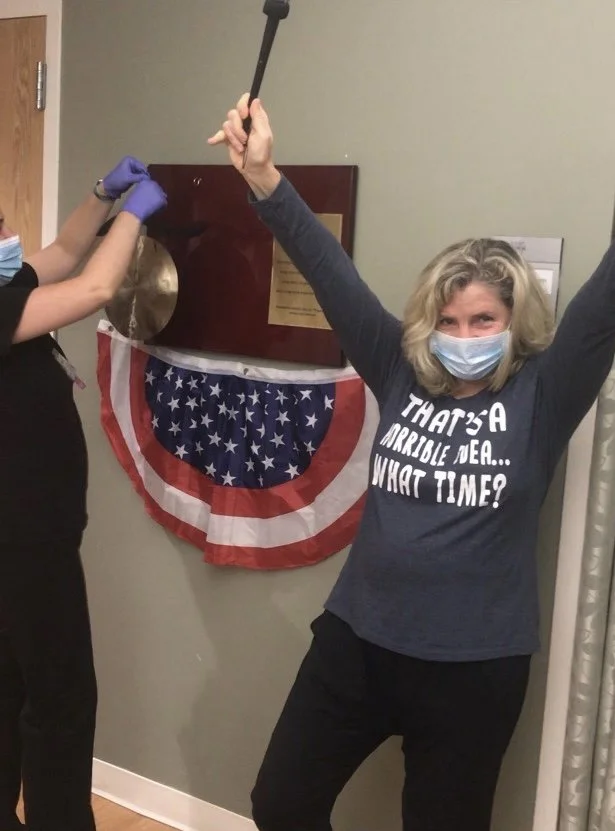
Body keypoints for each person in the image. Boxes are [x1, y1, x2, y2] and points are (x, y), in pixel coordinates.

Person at [209, 96, 615, 831]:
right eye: (450, 320)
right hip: (356, 642)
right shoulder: (402, 368)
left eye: (482, 320)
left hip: (473, 670)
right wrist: (265, 177)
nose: (464, 335)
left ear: (511, 322)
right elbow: (329, 272)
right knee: (281, 802)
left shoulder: (544, 393)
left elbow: (606, 302)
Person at [0, 157, 167, 831]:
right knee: (63, 694)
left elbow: (66, 252)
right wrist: (135, 214)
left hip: (28, 533)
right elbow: (97, 284)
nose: (7, 235)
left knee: (12, 686)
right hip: (22, 537)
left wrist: (100, 199)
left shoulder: (8, 290)